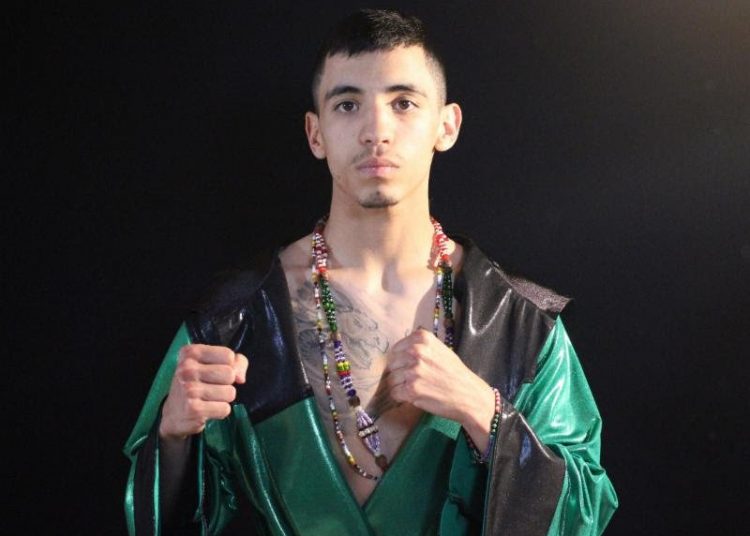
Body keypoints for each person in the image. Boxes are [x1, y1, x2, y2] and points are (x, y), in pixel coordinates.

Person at [124, 9, 617, 535]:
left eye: (403, 103)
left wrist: (483, 410)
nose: (376, 131)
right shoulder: (235, 320)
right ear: (316, 133)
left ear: (446, 126)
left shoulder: (519, 323)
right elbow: (162, 517)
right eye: (347, 104)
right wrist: (173, 437)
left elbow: (586, 511)